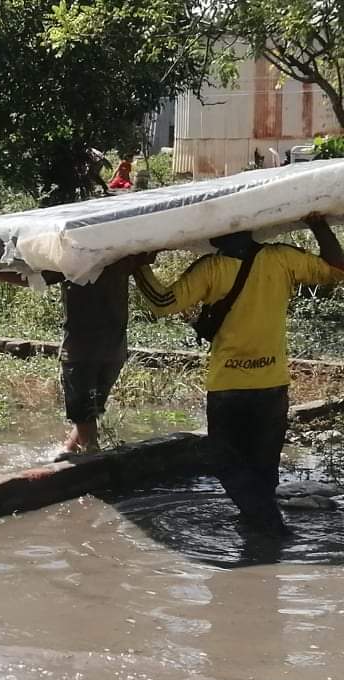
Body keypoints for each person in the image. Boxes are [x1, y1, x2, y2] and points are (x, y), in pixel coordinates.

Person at [129, 215, 344, 535]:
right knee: (264, 468)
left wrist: (138, 267)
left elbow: (162, 303)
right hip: (272, 385)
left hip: (229, 387)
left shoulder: (211, 268)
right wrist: (317, 224)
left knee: (224, 461)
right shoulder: (280, 258)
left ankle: (271, 529)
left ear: (218, 233)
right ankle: (261, 532)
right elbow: (337, 269)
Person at [0, 238, 144, 458]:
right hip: (113, 350)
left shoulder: (74, 261)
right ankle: (69, 450)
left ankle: (90, 461)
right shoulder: (121, 257)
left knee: (84, 415)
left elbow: (36, 278)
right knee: (90, 411)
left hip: (81, 352)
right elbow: (150, 253)